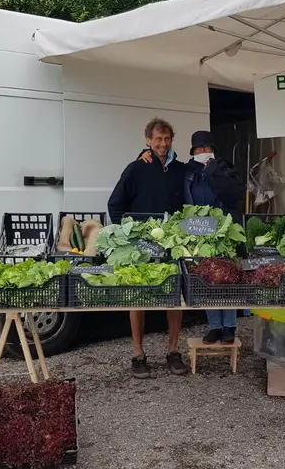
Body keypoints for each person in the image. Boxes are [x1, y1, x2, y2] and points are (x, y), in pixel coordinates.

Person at [141, 130, 245, 344]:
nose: (203, 151)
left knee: (228, 277)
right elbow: (163, 167)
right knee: (207, 278)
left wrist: (214, 172)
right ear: (193, 151)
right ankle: (215, 326)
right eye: (199, 148)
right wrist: (144, 153)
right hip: (197, 230)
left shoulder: (225, 167)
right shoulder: (186, 170)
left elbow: (234, 195)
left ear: (213, 150)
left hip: (225, 230)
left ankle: (230, 327)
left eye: (207, 148)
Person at [108, 117, 188, 379]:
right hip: (141, 244)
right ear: (148, 141)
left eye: (166, 139)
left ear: (172, 140)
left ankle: (174, 352)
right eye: (157, 139)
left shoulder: (181, 170)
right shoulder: (136, 168)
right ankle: (138, 355)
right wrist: (127, 233)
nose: (162, 144)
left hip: (172, 242)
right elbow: (115, 204)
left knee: (174, 296)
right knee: (138, 297)